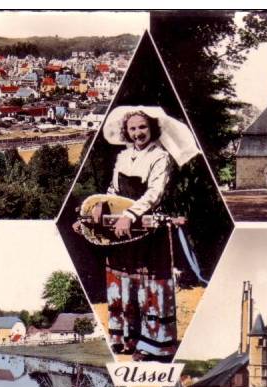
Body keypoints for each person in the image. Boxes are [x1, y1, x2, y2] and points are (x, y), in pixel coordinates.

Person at [75, 106, 200, 361]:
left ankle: (152, 344)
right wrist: (102, 205)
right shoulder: (122, 157)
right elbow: (113, 189)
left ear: (151, 128)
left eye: (142, 128)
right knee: (122, 283)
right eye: (132, 129)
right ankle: (125, 338)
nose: (137, 133)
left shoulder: (160, 157)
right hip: (120, 232)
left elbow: (154, 193)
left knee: (149, 287)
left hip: (147, 228)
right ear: (126, 132)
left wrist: (130, 215)